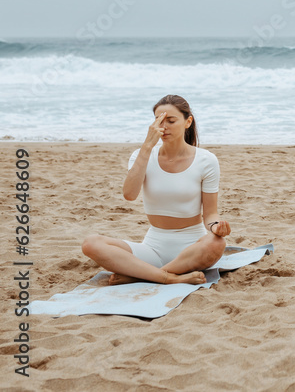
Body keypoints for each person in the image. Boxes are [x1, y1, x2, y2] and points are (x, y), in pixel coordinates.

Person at [81, 95, 231, 285]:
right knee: (91, 243)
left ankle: (140, 275)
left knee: (217, 243)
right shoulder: (142, 155)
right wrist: (147, 146)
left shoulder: (206, 160)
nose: (164, 126)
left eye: (171, 120)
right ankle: (166, 277)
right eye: (159, 121)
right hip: (152, 248)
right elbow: (129, 194)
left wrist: (216, 227)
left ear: (188, 122)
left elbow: (210, 214)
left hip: (192, 247)